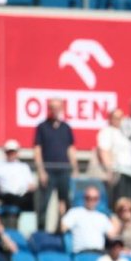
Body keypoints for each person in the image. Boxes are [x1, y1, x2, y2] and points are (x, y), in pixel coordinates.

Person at [34, 98, 78, 232]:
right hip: (48, 170)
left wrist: (74, 168)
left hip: (64, 170)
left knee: (65, 202)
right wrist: (41, 171)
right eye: (52, 107)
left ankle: (62, 230)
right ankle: (41, 231)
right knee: (43, 203)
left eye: (58, 107)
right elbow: (37, 150)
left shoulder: (66, 127)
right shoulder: (42, 127)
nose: (55, 110)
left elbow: (70, 149)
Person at [0, 138, 37, 228]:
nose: (11, 154)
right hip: (5, 197)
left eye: (13, 152)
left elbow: (31, 185)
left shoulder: (23, 167)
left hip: (22, 198)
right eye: (9, 152)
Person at [60, 185, 112, 253]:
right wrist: (61, 214)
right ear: (84, 198)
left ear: (98, 200)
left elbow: (112, 236)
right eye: (88, 197)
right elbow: (62, 228)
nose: (91, 200)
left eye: (95, 198)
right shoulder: (75, 212)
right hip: (81, 253)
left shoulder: (103, 217)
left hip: (99, 253)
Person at [96, 108, 131, 199]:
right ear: (110, 119)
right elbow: (104, 151)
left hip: (128, 173)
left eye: (120, 118)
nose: (119, 120)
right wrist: (109, 171)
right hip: (115, 173)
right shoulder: (107, 132)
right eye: (116, 118)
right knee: (116, 201)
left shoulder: (125, 132)